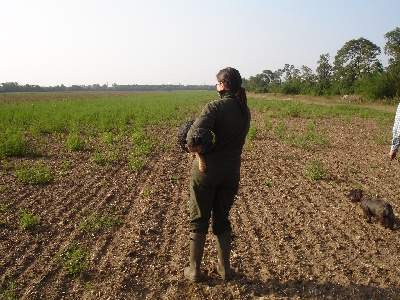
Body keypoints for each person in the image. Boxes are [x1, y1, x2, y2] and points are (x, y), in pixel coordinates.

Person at [184, 67, 251, 282]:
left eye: (217, 84)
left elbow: (191, 138)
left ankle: (194, 271)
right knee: (222, 221)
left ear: (223, 85)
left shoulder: (214, 107)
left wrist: (193, 143)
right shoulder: (244, 110)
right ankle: (225, 271)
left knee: (199, 219)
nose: (216, 87)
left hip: (207, 171)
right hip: (231, 172)